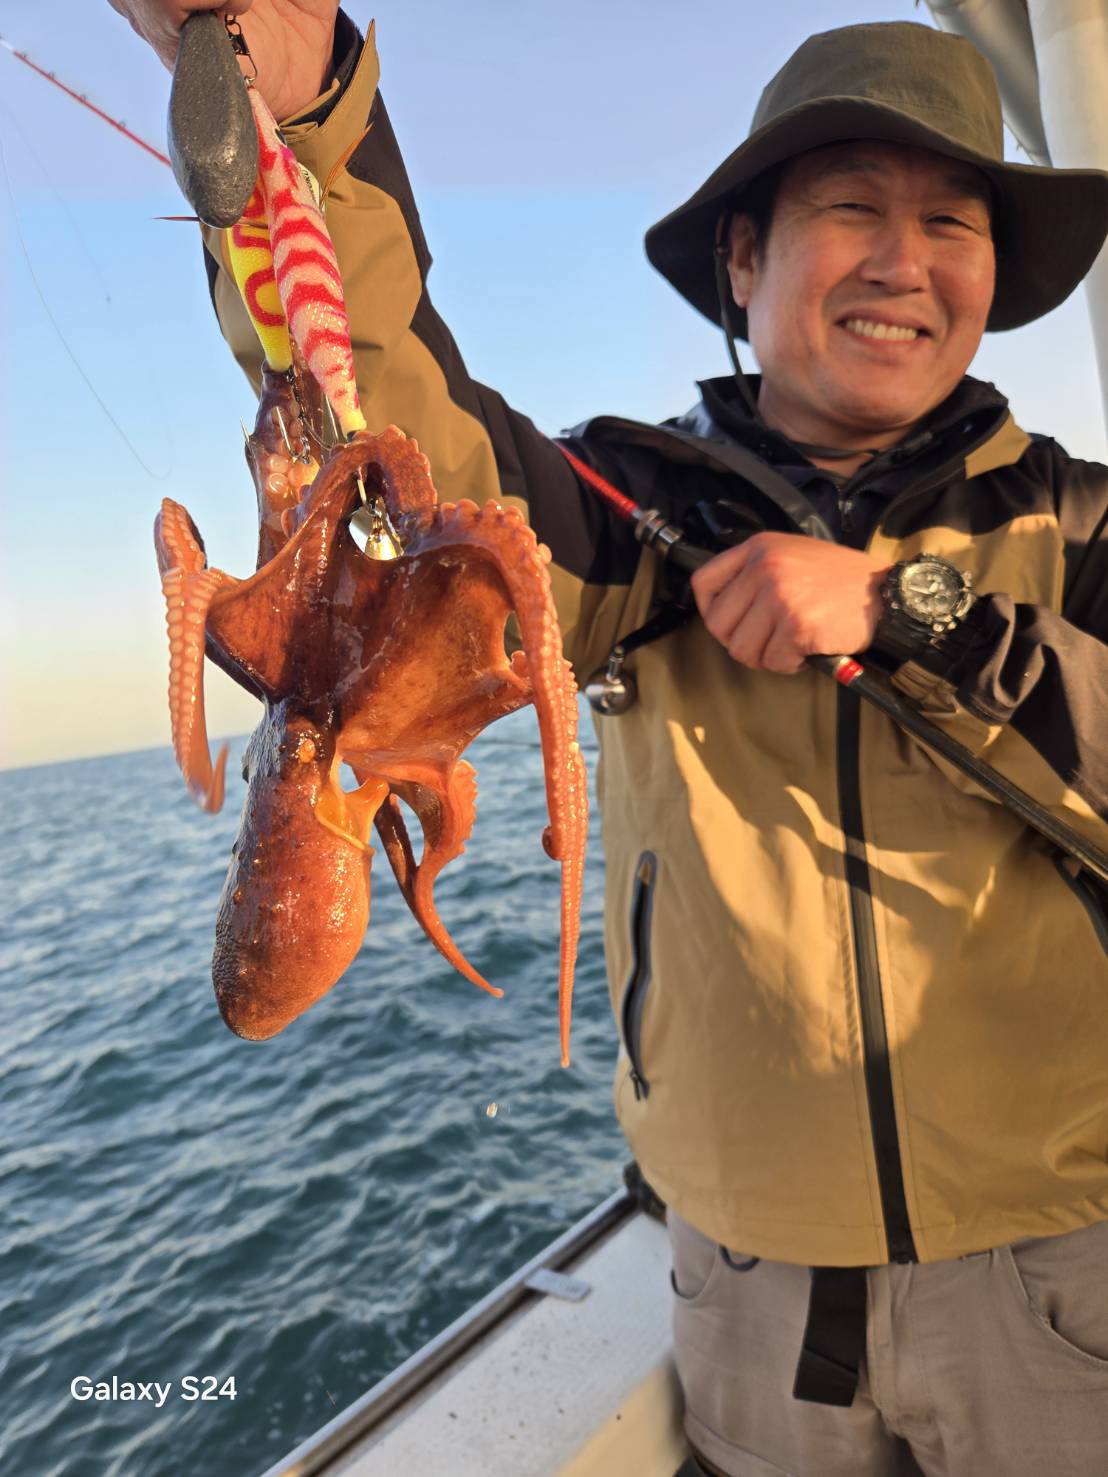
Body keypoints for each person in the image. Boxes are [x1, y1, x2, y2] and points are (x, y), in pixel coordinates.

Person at [112, 4, 1108, 1472]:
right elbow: (411, 438)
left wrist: (913, 611)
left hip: (1059, 1270)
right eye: (852, 208)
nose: (905, 260)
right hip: (749, 1282)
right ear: (744, 261)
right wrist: (305, 105)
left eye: (951, 221)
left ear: (992, 275)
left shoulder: (1077, 521)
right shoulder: (634, 524)